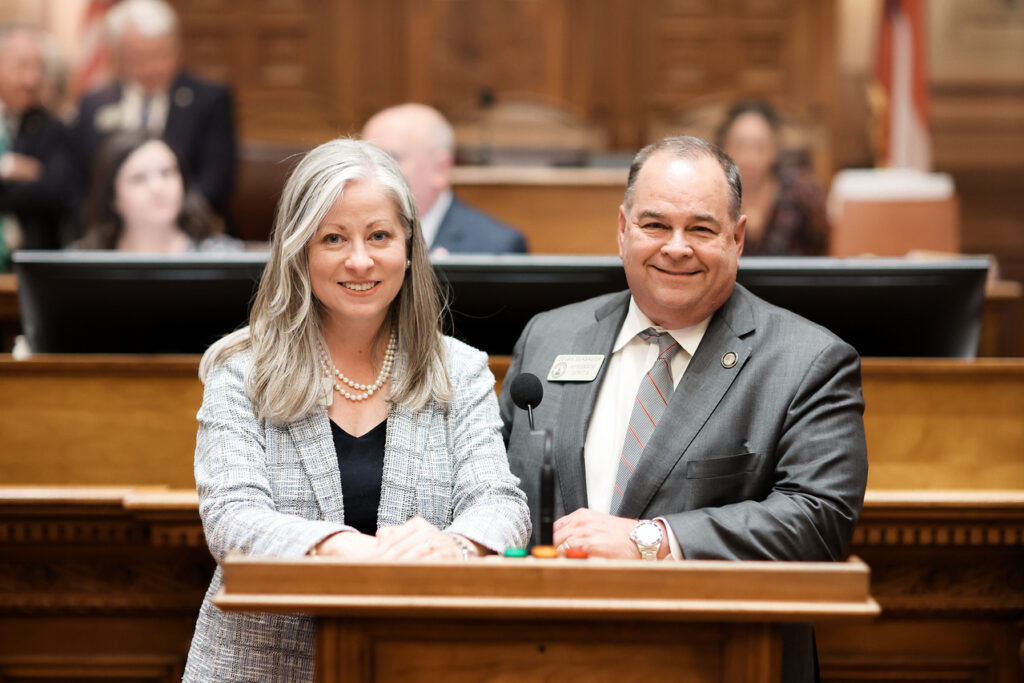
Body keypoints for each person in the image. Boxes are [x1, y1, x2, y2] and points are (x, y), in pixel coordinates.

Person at [499, 135, 867, 682]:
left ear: (737, 239)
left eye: (700, 228)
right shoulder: (549, 337)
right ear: (623, 231)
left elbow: (819, 520)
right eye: (654, 225)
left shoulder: (809, 361)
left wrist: (651, 540)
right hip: (546, 656)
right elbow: (494, 484)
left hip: (718, 659)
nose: (676, 247)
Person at [183, 138, 531, 681]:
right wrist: (339, 545)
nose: (361, 260)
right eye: (334, 238)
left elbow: (503, 507)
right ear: (301, 250)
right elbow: (231, 521)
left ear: (409, 246)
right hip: (261, 665)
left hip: (417, 661)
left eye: (379, 236)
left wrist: (452, 545)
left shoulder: (458, 369)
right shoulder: (240, 369)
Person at [72, 0, 236, 217]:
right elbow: (80, 182)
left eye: (162, 54)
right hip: (113, 231)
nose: (153, 67)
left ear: (177, 48)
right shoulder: (93, 104)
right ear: (118, 55)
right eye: (140, 56)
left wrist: (167, 218)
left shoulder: (209, 100)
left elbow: (217, 179)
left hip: (188, 226)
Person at [362, 103, 527, 255]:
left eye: (391, 158)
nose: (373, 171)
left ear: (440, 168)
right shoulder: (349, 237)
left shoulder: (495, 246)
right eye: (367, 158)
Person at [73, 129, 240, 252]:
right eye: (139, 178)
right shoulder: (80, 260)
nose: (157, 188)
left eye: (167, 173)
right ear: (112, 198)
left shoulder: (224, 256)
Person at [716, 100, 829, 256]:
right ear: (724, 148)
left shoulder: (800, 192)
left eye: (759, 146)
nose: (749, 157)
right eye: (740, 145)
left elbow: (823, 249)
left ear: (775, 149)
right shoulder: (713, 194)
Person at [0, 23, 74, 263]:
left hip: (30, 262)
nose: (31, 79)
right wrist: (6, 168)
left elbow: (53, 191)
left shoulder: (52, 128)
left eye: (38, 67)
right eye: (21, 66)